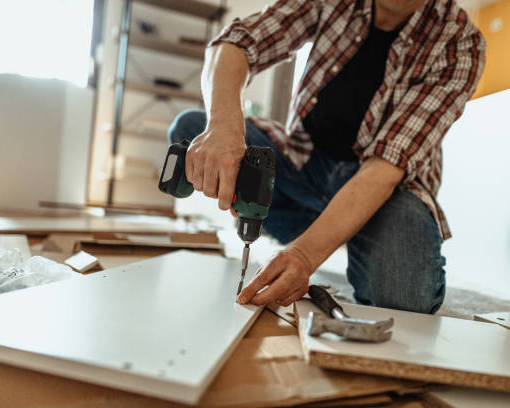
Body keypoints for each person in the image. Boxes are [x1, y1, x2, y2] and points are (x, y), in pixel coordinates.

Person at [168, 0, 485, 313]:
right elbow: (236, 43)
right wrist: (224, 128)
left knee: (405, 299)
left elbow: (385, 168)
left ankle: (343, 233)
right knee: (192, 129)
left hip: (383, 191)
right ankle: (318, 229)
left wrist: (304, 257)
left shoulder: (459, 42)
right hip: (304, 167)